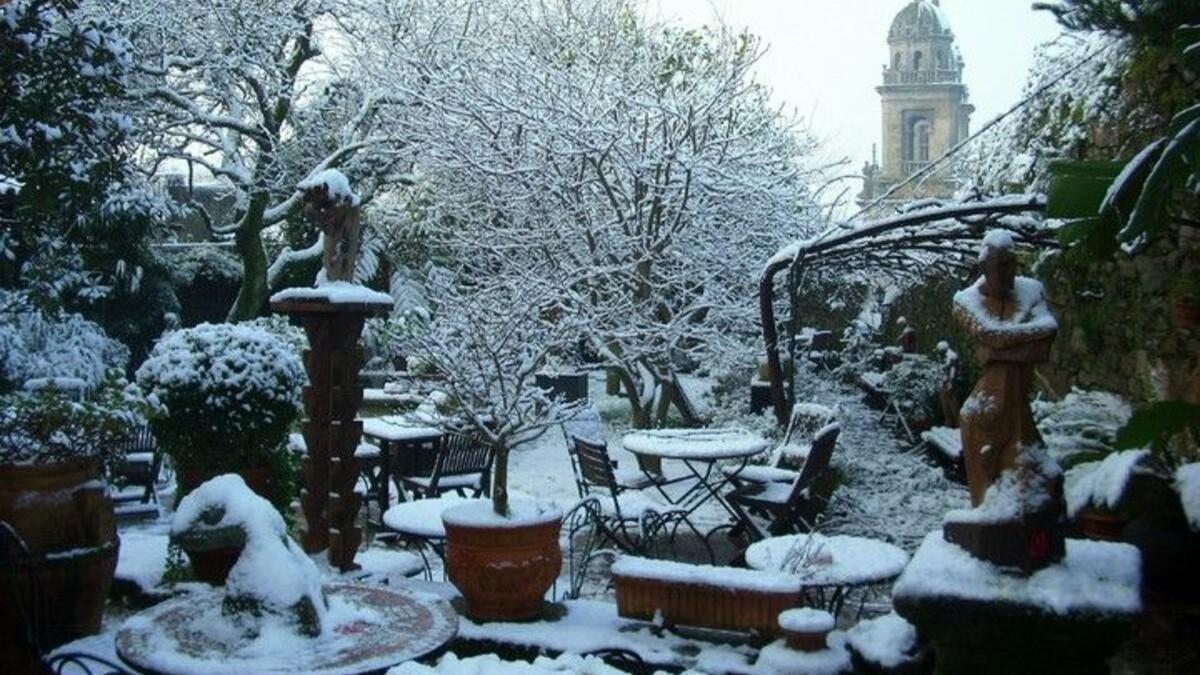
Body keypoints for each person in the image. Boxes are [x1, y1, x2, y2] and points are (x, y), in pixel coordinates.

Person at [953, 231, 1058, 506]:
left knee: (1032, 478)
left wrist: (997, 348)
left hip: (1018, 407)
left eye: (1011, 263)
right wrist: (1016, 339)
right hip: (987, 406)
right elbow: (991, 335)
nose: (1008, 272)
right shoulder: (965, 301)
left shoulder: (1032, 291)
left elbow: (1048, 334)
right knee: (990, 490)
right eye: (1000, 265)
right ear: (983, 267)